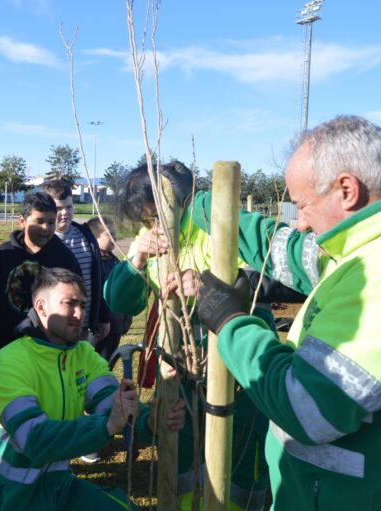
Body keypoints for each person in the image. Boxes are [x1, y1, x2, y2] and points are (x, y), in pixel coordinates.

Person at [193, 116, 381, 510]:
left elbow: (308, 408)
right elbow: (287, 252)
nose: (299, 224)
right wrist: (203, 208)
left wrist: (231, 322)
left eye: (301, 206)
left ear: (346, 190)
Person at [104, 162, 271, 510]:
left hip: (234, 350)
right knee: (180, 431)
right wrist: (137, 257)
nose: (151, 225)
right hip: (179, 355)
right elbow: (119, 301)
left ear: (181, 201)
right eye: (145, 219)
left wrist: (206, 286)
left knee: (241, 440)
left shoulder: (216, 225)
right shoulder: (150, 237)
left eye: (157, 214)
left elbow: (261, 283)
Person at [0, 267, 186, 511]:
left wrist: (149, 420)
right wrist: (106, 426)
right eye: (69, 304)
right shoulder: (9, 362)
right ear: (41, 307)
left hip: (59, 487)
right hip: (8, 498)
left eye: (83, 305)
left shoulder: (83, 354)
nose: (79, 313)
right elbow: (35, 439)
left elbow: (112, 402)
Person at [0, 191, 81, 353]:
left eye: (51, 222)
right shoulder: (3, 255)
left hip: (49, 345)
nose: (46, 228)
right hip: (7, 342)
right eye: (39, 221)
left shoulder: (64, 258)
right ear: (22, 221)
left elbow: (76, 297)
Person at [43, 180, 111, 344]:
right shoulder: (44, 240)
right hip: (54, 329)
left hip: (84, 326)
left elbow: (99, 279)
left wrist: (103, 317)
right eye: (59, 209)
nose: (65, 213)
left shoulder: (86, 236)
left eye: (69, 207)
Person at [85, 216, 132, 361]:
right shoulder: (93, 264)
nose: (115, 238)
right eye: (109, 234)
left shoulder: (116, 262)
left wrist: (126, 320)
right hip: (100, 328)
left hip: (116, 327)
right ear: (95, 237)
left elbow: (123, 294)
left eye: (114, 233)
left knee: (109, 361)